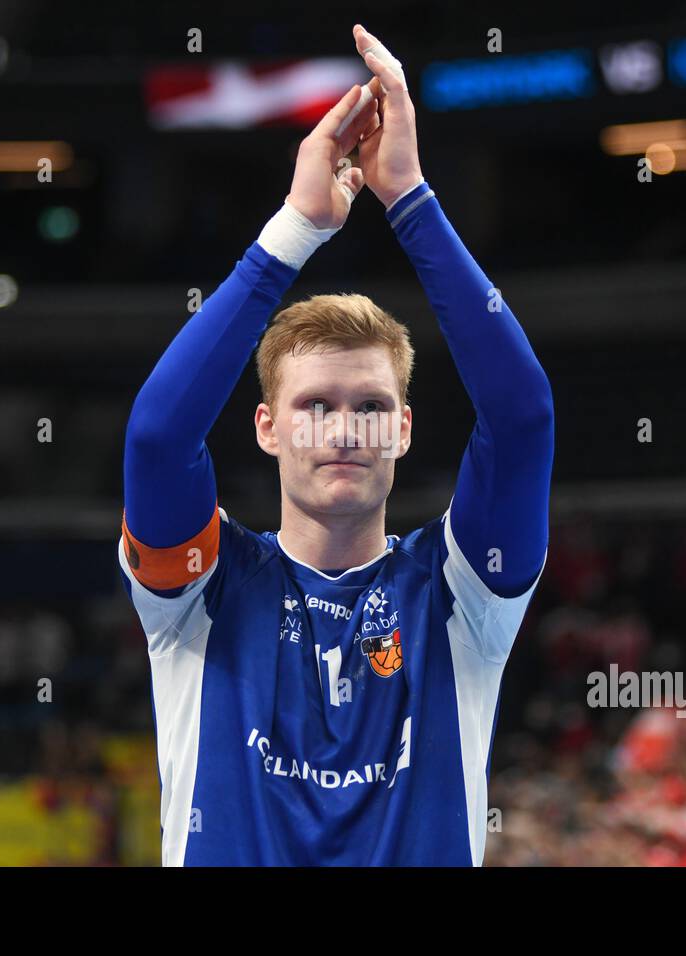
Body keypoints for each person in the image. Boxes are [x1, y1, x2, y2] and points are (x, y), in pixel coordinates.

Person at [119, 25, 553, 865]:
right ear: (267, 427)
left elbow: (524, 417)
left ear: (402, 428)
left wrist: (411, 200)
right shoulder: (198, 594)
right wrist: (295, 228)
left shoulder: (464, 600)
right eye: (315, 404)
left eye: (371, 405)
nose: (346, 428)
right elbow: (157, 436)